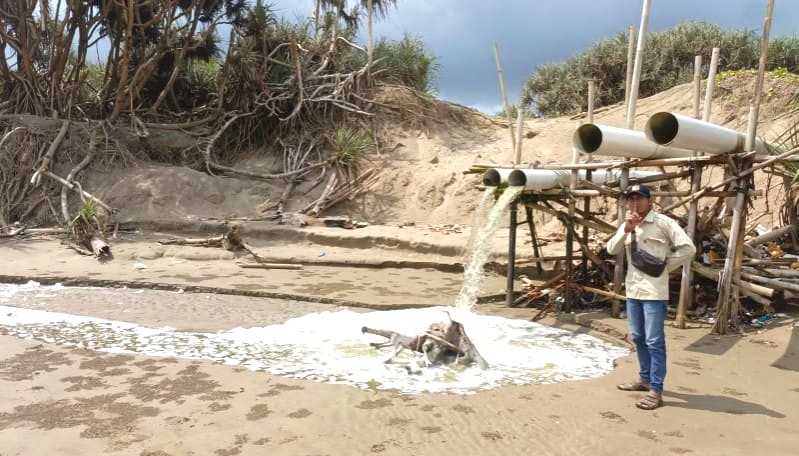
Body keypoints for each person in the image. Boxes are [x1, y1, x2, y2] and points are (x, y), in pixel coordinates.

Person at [606, 184, 696, 410]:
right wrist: (626, 229)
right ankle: (644, 379)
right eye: (631, 199)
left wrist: (664, 266)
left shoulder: (663, 223)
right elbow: (611, 249)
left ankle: (656, 390)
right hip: (633, 291)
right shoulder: (628, 225)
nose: (635, 203)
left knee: (654, 341)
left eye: (640, 199)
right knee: (637, 337)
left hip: (655, 292)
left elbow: (688, 248)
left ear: (649, 201)